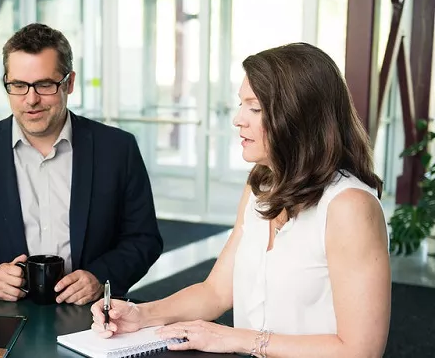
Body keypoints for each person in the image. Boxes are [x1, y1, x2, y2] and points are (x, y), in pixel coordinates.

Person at [91, 43, 391, 357]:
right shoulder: (261, 185)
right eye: (240, 104)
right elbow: (216, 292)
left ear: (298, 115)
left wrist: (237, 339)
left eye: (254, 108)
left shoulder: (350, 207)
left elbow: (361, 351)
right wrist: (141, 315)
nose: (238, 119)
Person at [0, 23, 163, 305]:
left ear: (69, 83)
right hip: (2, 315)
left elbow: (144, 239)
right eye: (18, 85)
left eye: (44, 85)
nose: (31, 100)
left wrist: (101, 277)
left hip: (92, 315)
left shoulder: (117, 149)